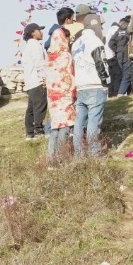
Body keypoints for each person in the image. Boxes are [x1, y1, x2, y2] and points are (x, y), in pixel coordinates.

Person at [71, 18, 111, 156]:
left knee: (79, 122)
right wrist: (106, 81)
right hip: (94, 84)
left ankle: (79, 153)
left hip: (80, 86)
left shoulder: (76, 43)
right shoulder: (96, 41)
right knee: (94, 121)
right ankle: (94, 153)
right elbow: (101, 63)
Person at [45, 26, 76, 163]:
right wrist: (73, 92)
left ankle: (51, 158)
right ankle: (61, 157)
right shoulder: (65, 55)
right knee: (65, 125)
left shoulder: (49, 57)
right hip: (64, 95)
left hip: (52, 97)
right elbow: (69, 75)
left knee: (55, 127)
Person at [20, 23, 47, 140]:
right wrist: (44, 79)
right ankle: (39, 130)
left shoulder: (27, 47)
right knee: (40, 106)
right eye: (39, 30)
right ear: (33, 33)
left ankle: (29, 133)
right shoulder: (35, 46)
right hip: (37, 80)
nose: (41, 32)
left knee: (31, 108)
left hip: (30, 82)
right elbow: (39, 63)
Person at [107, 18, 133, 97]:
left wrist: (117, 50)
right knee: (127, 74)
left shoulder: (118, 31)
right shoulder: (129, 30)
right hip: (126, 54)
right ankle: (120, 93)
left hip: (119, 55)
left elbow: (110, 43)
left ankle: (129, 92)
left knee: (124, 73)